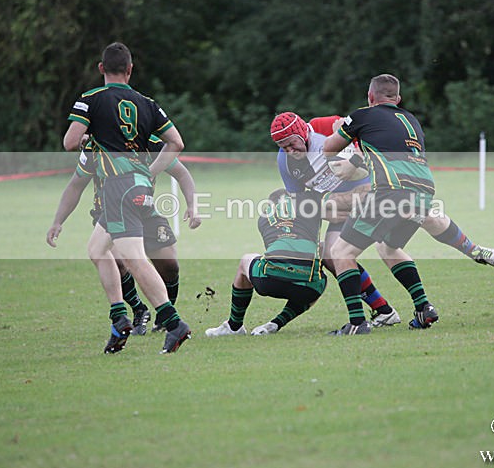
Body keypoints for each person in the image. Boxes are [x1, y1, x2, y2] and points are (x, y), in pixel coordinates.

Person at [62, 41, 191, 353]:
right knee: (97, 249)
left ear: (101, 68)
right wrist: (150, 171)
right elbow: (176, 143)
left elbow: (70, 142)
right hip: (136, 185)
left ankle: (174, 324)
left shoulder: (90, 99)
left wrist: (90, 138)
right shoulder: (147, 103)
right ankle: (119, 318)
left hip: (117, 186)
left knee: (133, 258)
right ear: (130, 70)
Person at [322, 73, 443, 334]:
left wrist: (339, 129)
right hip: (423, 193)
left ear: (370, 96)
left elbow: (328, 149)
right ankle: (423, 307)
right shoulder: (411, 120)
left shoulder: (362, 115)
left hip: (390, 192)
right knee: (388, 247)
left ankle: (357, 323)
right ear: (398, 99)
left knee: (341, 252)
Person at [46, 135, 201, 335]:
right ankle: (139, 309)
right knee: (118, 262)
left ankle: (165, 315)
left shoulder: (149, 141)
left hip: (143, 209)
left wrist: (192, 205)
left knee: (169, 265)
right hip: (108, 214)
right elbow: (75, 185)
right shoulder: (96, 145)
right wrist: (58, 221)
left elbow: (182, 173)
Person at [308, 115, 494, 267]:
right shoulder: (297, 154)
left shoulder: (333, 124)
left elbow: (357, 143)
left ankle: (472, 250)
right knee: (375, 248)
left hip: (378, 189)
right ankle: (413, 303)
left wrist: (353, 161)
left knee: (419, 221)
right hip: (354, 198)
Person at [270, 111, 401, 327]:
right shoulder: (285, 162)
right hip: (339, 209)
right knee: (331, 255)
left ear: (302, 132)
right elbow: (299, 201)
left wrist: (355, 162)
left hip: (371, 195)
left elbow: (364, 137)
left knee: (386, 248)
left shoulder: (324, 126)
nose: (290, 151)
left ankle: (420, 306)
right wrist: (323, 211)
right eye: (283, 147)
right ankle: (384, 311)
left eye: (292, 143)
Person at [205, 189, 327, 336]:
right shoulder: (308, 205)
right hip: (308, 287)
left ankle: (234, 326)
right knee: (317, 278)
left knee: (246, 259)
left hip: (269, 280)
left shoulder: (263, 219)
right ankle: (277, 323)